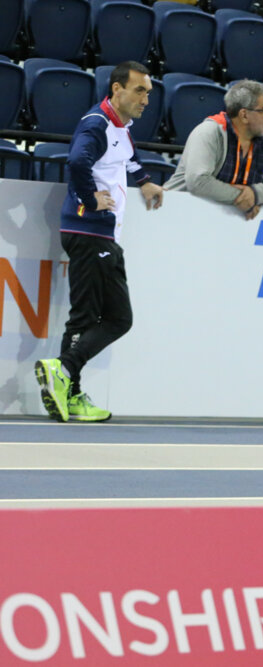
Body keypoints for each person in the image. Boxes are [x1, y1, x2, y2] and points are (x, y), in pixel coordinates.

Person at [34, 61, 164, 423]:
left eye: (149, 93)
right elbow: (76, 161)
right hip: (91, 231)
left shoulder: (119, 126)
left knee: (87, 316)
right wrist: (89, 199)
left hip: (98, 234)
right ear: (117, 89)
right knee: (118, 317)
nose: (145, 99)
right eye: (139, 91)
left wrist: (147, 181)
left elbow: (128, 157)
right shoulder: (98, 123)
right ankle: (64, 369)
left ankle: (70, 392)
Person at [164, 79, 263, 219]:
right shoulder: (209, 132)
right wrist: (241, 197)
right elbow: (198, 182)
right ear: (244, 115)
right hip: (176, 216)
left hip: (220, 224)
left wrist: (255, 193)